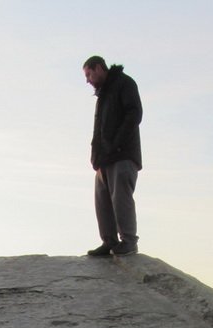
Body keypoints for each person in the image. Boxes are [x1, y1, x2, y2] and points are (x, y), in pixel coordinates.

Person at [83, 55, 143, 257]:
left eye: (89, 74)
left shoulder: (124, 83)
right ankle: (109, 241)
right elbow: (99, 129)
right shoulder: (103, 95)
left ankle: (129, 241)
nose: (88, 80)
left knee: (121, 198)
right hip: (104, 159)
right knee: (102, 200)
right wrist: (96, 155)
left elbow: (134, 114)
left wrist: (116, 144)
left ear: (99, 68)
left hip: (122, 155)